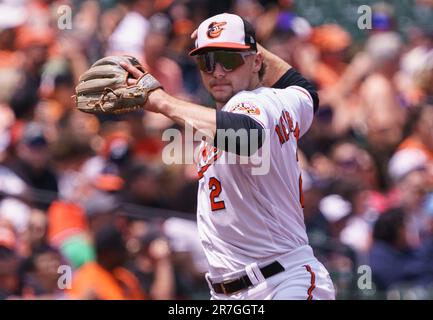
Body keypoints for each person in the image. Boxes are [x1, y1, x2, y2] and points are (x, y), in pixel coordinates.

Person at [121, 13, 335, 299]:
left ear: (256, 62)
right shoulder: (285, 100)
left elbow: (247, 136)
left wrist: (163, 102)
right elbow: (307, 90)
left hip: (280, 283)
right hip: (231, 291)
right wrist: (237, 39)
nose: (218, 71)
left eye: (229, 60)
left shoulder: (249, 102)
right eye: (207, 62)